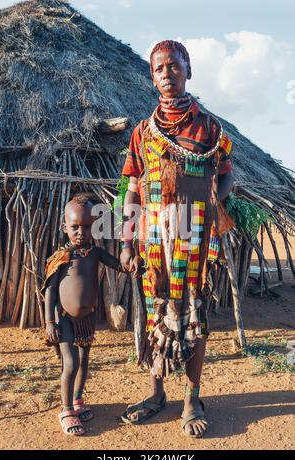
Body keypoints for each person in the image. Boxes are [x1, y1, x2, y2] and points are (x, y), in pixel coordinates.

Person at [120, 40, 234, 438]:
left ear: (188, 70)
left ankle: (192, 398)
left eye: (173, 66)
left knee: (194, 316)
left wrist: (209, 202)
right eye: (159, 69)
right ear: (152, 77)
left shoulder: (209, 127)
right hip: (154, 241)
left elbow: (226, 174)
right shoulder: (141, 132)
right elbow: (131, 188)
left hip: (194, 236)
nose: (166, 74)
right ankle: (156, 393)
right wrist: (125, 240)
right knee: (155, 313)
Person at [42, 195, 142, 436]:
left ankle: (77, 400)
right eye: (75, 227)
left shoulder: (95, 253)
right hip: (64, 318)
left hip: (87, 319)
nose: (81, 232)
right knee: (71, 363)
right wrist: (49, 322)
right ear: (64, 227)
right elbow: (50, 290)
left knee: (84, 363)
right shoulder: (61, 258)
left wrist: (135, 261)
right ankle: (66, 410)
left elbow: (120, 266)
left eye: (87, 227)